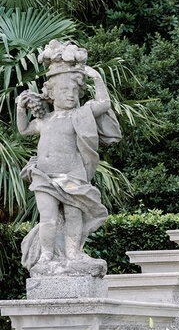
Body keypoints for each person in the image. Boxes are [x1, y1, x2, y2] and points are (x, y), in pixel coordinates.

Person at [16, 40, 120, 274]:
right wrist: (20, 108)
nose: (71, 95)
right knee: (48, 218)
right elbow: (23, 130)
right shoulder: (44, 120)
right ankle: (46, 257)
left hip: (73, 175)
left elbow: (104, 104)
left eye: (75, 91)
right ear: (51, 93)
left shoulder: (80, 114)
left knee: (74, 215)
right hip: (44, 176)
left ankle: (73, 254)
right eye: (64, 90)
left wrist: (97, 79)